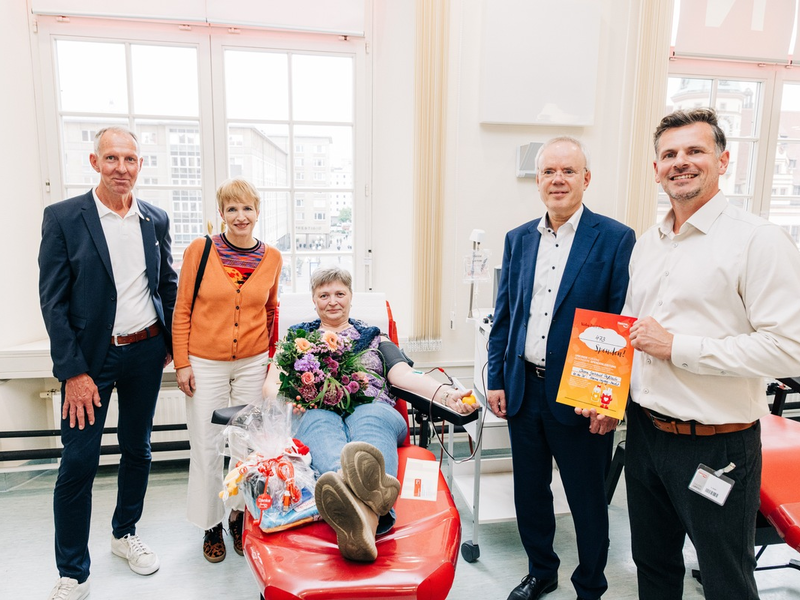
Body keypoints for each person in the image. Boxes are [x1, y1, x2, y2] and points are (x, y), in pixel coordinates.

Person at [594, 108, 800, 599]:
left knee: (726, 578)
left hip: (717, 446)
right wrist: (606, 396)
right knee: (654, 566)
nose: (680, 162)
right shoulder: (649, 243)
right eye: (669, 154)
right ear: (656, 168)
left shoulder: (759, 241)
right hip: (645, 435)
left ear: (723, 160)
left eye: (695, 151)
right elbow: (630, 333)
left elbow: (789, 351)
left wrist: (678, 348)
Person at [486, 136, 635, 600]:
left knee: (587, 500)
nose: (558, 179)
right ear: (538, 181)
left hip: (582, 395)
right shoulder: (518, 239)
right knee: (530, 494)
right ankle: (541, 572)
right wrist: (496, 378)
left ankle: (590, 584)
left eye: (568, 171)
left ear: (586, 179)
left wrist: (608, 402)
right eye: (549, 171)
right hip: (524, 390)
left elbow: (619, 323)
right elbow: (505, 314)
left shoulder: (614, 239)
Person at [38, 126, 178, 600]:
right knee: (78, 462)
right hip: (89, 361)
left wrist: (171, 347)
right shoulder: (63, 218)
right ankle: (73, 572)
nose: (122, 168)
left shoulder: (154, 219)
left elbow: (167, 286)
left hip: (145, 352)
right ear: (95, 163)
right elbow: (53, 304)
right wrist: (73, 372)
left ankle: (124, 535)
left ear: (141, 165)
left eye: (131, 159)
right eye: (112, 158)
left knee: (138, 449)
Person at [263, 266, 478, 562]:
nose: (332, 301)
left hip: (373, 407)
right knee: (317, 421)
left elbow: (406, 376)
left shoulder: (375, 337)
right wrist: (292, 398)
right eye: (324, 295)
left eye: (340, 293)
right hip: (317, 409)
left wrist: (446, 395)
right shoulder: (296, 339)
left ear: (351, 297)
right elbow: (271, 385)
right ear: (314, 300)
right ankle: (369, 520)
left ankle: (353, 509)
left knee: (370, 418)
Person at [172, 178, 282, 563]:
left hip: (252, 362)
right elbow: (182, 309)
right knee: (206, 445)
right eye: (232, 209)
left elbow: (270, 310)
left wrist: (271, 359)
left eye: (247, 208)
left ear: (257, 212)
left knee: (245, 446)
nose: (240, 216)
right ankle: (210, 525)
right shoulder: (199, 251)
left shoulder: (272, 258)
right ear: (221, 214)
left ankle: (238, 516)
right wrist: (182, 362)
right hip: (204, 363)